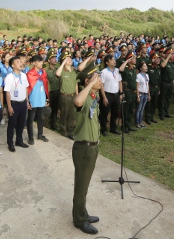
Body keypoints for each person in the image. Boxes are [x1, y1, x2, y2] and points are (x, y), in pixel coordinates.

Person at [71, 63, 102, 235]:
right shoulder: (84, 97)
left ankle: (82, 213)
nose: (100, 80)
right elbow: (77, 101)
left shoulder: (93, 96)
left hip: (92, 147)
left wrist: (92, 85)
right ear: (88, 80)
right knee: (81, 187)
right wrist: (90, 83)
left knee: (84, 185)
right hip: (83, 149)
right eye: (96, 77)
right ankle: (79, 220)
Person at [4, 56, 30, 152]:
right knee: (12, 124)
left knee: (21, 124)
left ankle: (19, 140)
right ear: (13, 65)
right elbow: (7, 92)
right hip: (14, 104)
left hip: (23, 103)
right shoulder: (9, 77)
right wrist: (9, 106)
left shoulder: (23, 75)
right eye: (18, 62)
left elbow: (26, 88)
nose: (21, 63)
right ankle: (10, 143)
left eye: (20, 61)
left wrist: (27, 101)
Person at [26, 55, 49, 144]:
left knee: (41, 118)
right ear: (34, 63)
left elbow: (46, 86)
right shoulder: (30, 74)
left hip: (41, 99)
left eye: (41, 61)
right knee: (30, 119)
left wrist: (47, 99)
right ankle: (30, 137)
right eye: (39, 61)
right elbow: (27, 88)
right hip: (33, 99)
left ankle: (40, 134)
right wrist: (27, 100)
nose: (41, 63)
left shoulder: (43, 73)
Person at [55, 50, 78, 139]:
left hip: (73, 95)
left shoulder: (74, 71)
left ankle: (70, 131)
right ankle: (63, 131)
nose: (70, 60)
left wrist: (77, 94)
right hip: (64, 96)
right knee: (64, 114)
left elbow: (76, 83)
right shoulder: (62, 71)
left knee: (72, 115)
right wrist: (63, 63)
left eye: (70, 58)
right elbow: (57, 73)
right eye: (67, 59)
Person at [99, 54, 123, 135]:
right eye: (112, 60)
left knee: (115, 112)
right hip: (108, 94)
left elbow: (120, 82)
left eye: (114, 59)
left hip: (116, 94)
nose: (114, 61)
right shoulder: (104, 72)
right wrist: (104, 97)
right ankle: (104, 129)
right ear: (107, 62)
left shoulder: (117, 70)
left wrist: (121, 93)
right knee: (105, 113)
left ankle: (113, 128)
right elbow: (101, 85)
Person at [45, 50, 60, 131]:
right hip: (50, 92)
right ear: (49, 60)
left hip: (57, 91)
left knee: (55, 109)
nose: (55, 59)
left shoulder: (58, 69)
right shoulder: (46, 71)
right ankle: (48, 123)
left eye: (55, 57)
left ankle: (53, 124)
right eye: (53, 58)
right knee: (49, 109)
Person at [145, 52, 161, 125]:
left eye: (158, 58)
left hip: (156, 88)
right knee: (149, 103)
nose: (158, 60)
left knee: (154, 103)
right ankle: (147, 118)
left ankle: (152, 116)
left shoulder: (158, 68)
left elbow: (159, 79)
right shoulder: (149, 67)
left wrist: (159, 89)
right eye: (156, 58)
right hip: (150, 87)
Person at [135, 62, 150, 128]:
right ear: (141, 68)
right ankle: (137, 123)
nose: (146, 67)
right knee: (138, 109)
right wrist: (138, 96)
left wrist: (149, 94)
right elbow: (137, 87)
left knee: (142, 109)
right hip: (141, 94)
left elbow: (148, 85)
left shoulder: (147, 75)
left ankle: (140, 122)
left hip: (145, 94)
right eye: (144, 66)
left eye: (146, 66)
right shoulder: (138, 76)